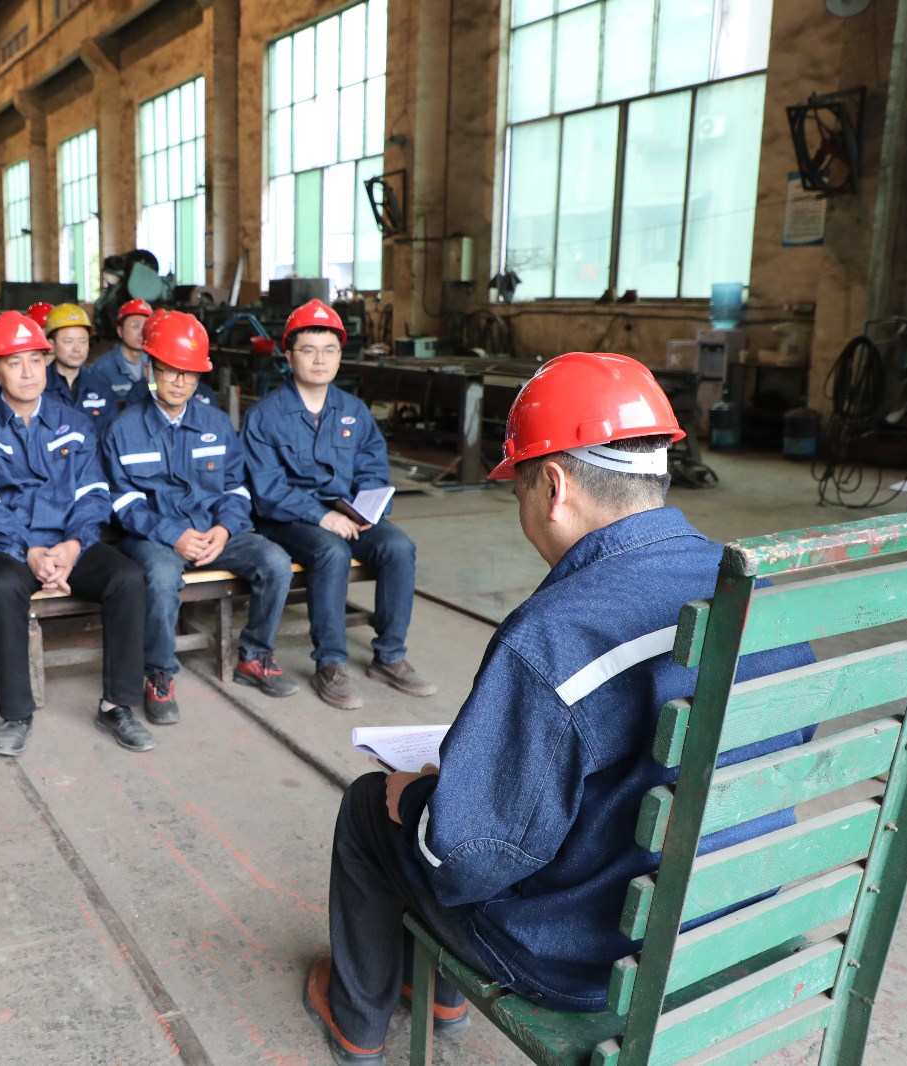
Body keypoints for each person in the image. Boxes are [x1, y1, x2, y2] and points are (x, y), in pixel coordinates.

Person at [304, 353, 818, 1065]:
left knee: (374, 807)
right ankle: (438, 992)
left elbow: (464, 860)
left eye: (518, 490)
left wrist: (417, 796)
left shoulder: (552, 637)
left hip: (586, 963)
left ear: (552, 486)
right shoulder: (756, 596)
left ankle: (358, 1024)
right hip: (725, 913)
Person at [0, 311, 152, 758]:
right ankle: (16, 714)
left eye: (36, 361)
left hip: (68, 543)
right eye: (14, 362)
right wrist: (30, 550)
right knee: (3, 588)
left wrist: (74, 545)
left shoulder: (73, 422)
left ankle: (117, 705)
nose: (28, 372)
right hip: (6, 547)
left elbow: (94, 492)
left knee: (128, 578)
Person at [104, 310, 298, 724]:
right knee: (159, 578)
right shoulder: (123, 429)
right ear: (150, 368)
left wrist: (225, 529)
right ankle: (159, 673)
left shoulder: (216, 423)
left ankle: (254, 655)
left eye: (189, 372)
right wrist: (173, 534)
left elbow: (236, 487)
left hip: (214, 532)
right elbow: (122, 503)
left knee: (276, 562)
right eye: (169, 370)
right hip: (155, 537)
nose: (180, 381)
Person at [241, 299, 434, 710]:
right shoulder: (265, 416)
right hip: (287, 518)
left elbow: (373, 470)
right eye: (309, 350)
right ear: (289, 356)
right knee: (331, 552)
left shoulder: (352, 411)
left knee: (398, 546)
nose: (319, 359)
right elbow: (267, 490)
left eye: (329, 350)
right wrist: (321, 516)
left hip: (346, 515)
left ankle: (390, 655)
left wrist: (367, 510)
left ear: (340, 356)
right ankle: (330, 663)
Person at [42, 302, 116, 435]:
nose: (77, 349)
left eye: (82, 341)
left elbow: (110, 436)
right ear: (51, 345)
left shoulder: (100, 386)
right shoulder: (38, 387)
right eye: (68, 341)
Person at [91, 297, 152, 404]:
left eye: (145, 326)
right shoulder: (101, 369)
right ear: (120, 331)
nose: (142, 332)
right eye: (135, 326)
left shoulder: (154, 365)